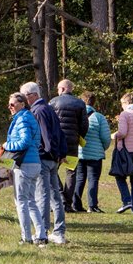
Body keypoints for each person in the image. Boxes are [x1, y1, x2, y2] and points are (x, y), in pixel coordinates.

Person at [20, 82, 67, 244]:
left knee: (42, 195)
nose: (24, 100)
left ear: (32, 95)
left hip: (44, 157)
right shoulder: (48, 108)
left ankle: (43, 231)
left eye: (24, 97)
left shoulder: (38, 111)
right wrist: (60, 153)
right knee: (55, 195)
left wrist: (48, 152)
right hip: (54, 158)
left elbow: (46, 136)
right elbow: (60, 133)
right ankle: (59, 232)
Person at [4, 93, 46, 247]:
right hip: (34, 162)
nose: (10, 107)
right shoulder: (29, 117)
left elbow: (24, 142)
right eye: (8, 105)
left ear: (22, 103)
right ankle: (41, 235)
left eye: (12, 104)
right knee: (30, 201)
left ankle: (26, 237)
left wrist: (6, 146)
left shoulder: (22, 118)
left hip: (25, 164)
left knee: (21, 201)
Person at [48, 79, 88, 213]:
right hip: (72, 142)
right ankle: (68, 202)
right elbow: (84, 125)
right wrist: (78, 136)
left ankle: (60, 197)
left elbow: (49, 123)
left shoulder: (53, 102)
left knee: (52, 169)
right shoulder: (80, 103)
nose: (58, 91)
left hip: (57, 142)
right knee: (71, 171)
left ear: (63, 89)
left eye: (59, 89)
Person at [75, 92, 110, 213]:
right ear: (94, 102)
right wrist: (102, 148)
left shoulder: (77, 115)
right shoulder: (99, 117)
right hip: (95, 154)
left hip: (79, 152)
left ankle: (76, 204)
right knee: (93, 179)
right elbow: (106, 138)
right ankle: (92, 205)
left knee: (79, 178)